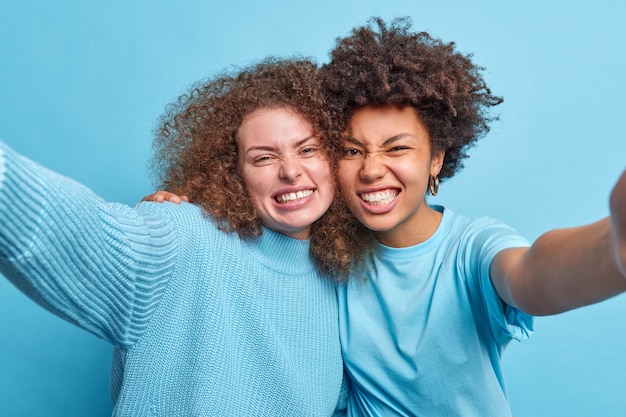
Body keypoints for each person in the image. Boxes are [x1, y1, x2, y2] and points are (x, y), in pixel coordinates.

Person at [0, 57, 351, 416]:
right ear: (233, 172)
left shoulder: (341, 282)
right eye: (263, 158)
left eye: (308, 149)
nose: (291, 171)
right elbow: (79, 232)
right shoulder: (185, 237)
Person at [317, 16, 626, 416]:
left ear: (436, 159)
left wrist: (612, 249)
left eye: (396, 149)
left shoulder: (472, 247)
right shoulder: (328, 254)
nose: (372, 169)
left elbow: (529, 274)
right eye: (352, 151)